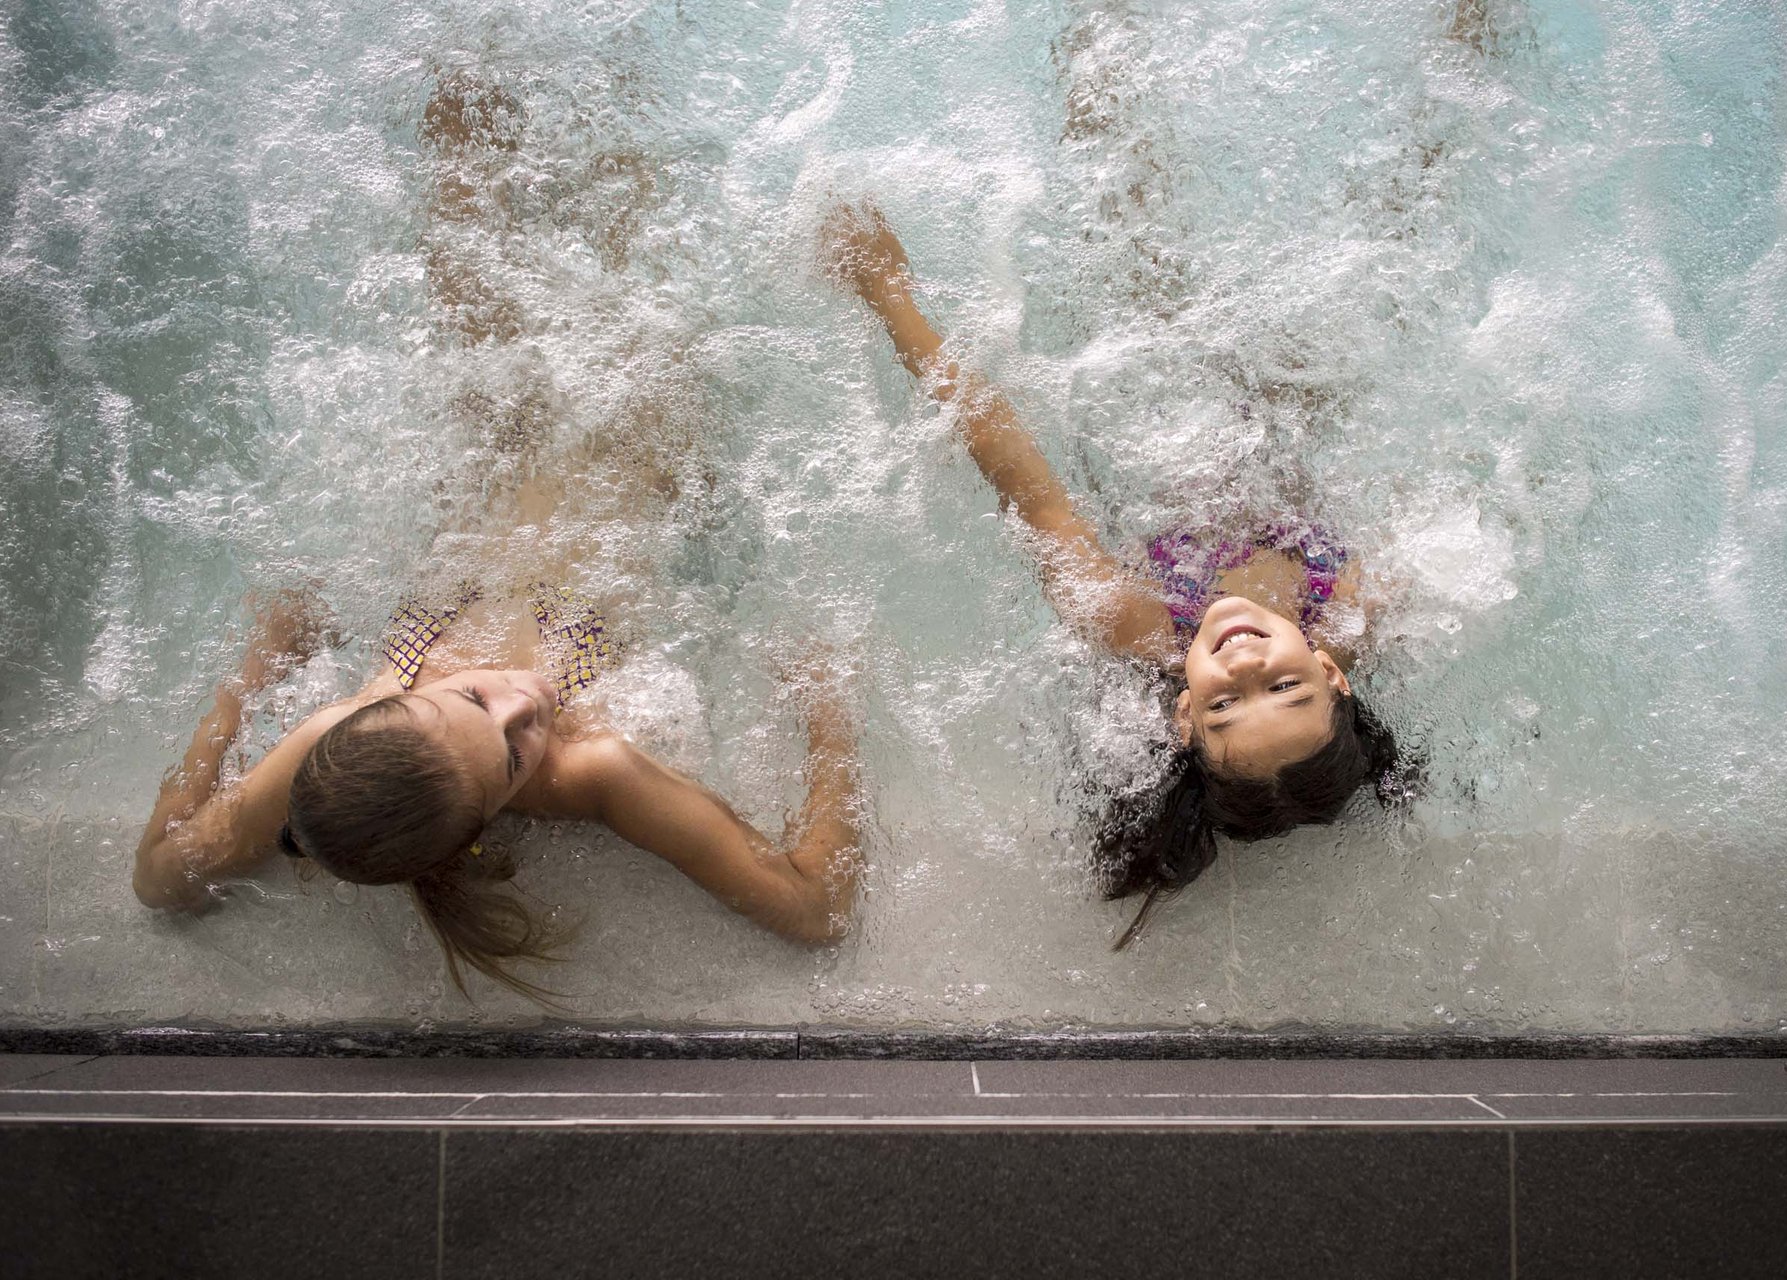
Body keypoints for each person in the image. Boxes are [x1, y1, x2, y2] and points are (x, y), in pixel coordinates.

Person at [132, 79, 865, 1000]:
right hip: (624, 475)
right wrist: (827, 715)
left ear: (372, 718)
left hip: (490, 469)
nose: (526, 702)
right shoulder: (591, 771)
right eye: (515, 757)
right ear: (482, 826)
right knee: (640, 237)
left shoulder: (335, 747)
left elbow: (159, 876)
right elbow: (813, 908)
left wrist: (255, 667)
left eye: (473, 698)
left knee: (464, 163)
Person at [823, 204, 1404, 947]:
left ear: (1184, 716)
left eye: (1225, 703)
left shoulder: (1130, 619)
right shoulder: (1351, 615)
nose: (1246, 665)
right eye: (1286, 684)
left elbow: (1017, 473)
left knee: (1146, 281)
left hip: (1162, 419)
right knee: (1340, 310)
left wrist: (885, 290)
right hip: (1285, 423)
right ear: (1331, 673)